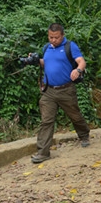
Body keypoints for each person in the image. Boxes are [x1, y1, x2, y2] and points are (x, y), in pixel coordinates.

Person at [31, 23, 90, 163]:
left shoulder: (69, 46)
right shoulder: (47, 48)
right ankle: (43, 152)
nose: (53, 40)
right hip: (49, 91)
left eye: (56, 37)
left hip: (66, 89)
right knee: (46, 121)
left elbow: (81, 61)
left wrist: (78, 70)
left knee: (74, 115)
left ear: (62, 35)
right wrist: (35, 61)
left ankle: (84, 134)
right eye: (51, 37)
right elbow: (46, 63)